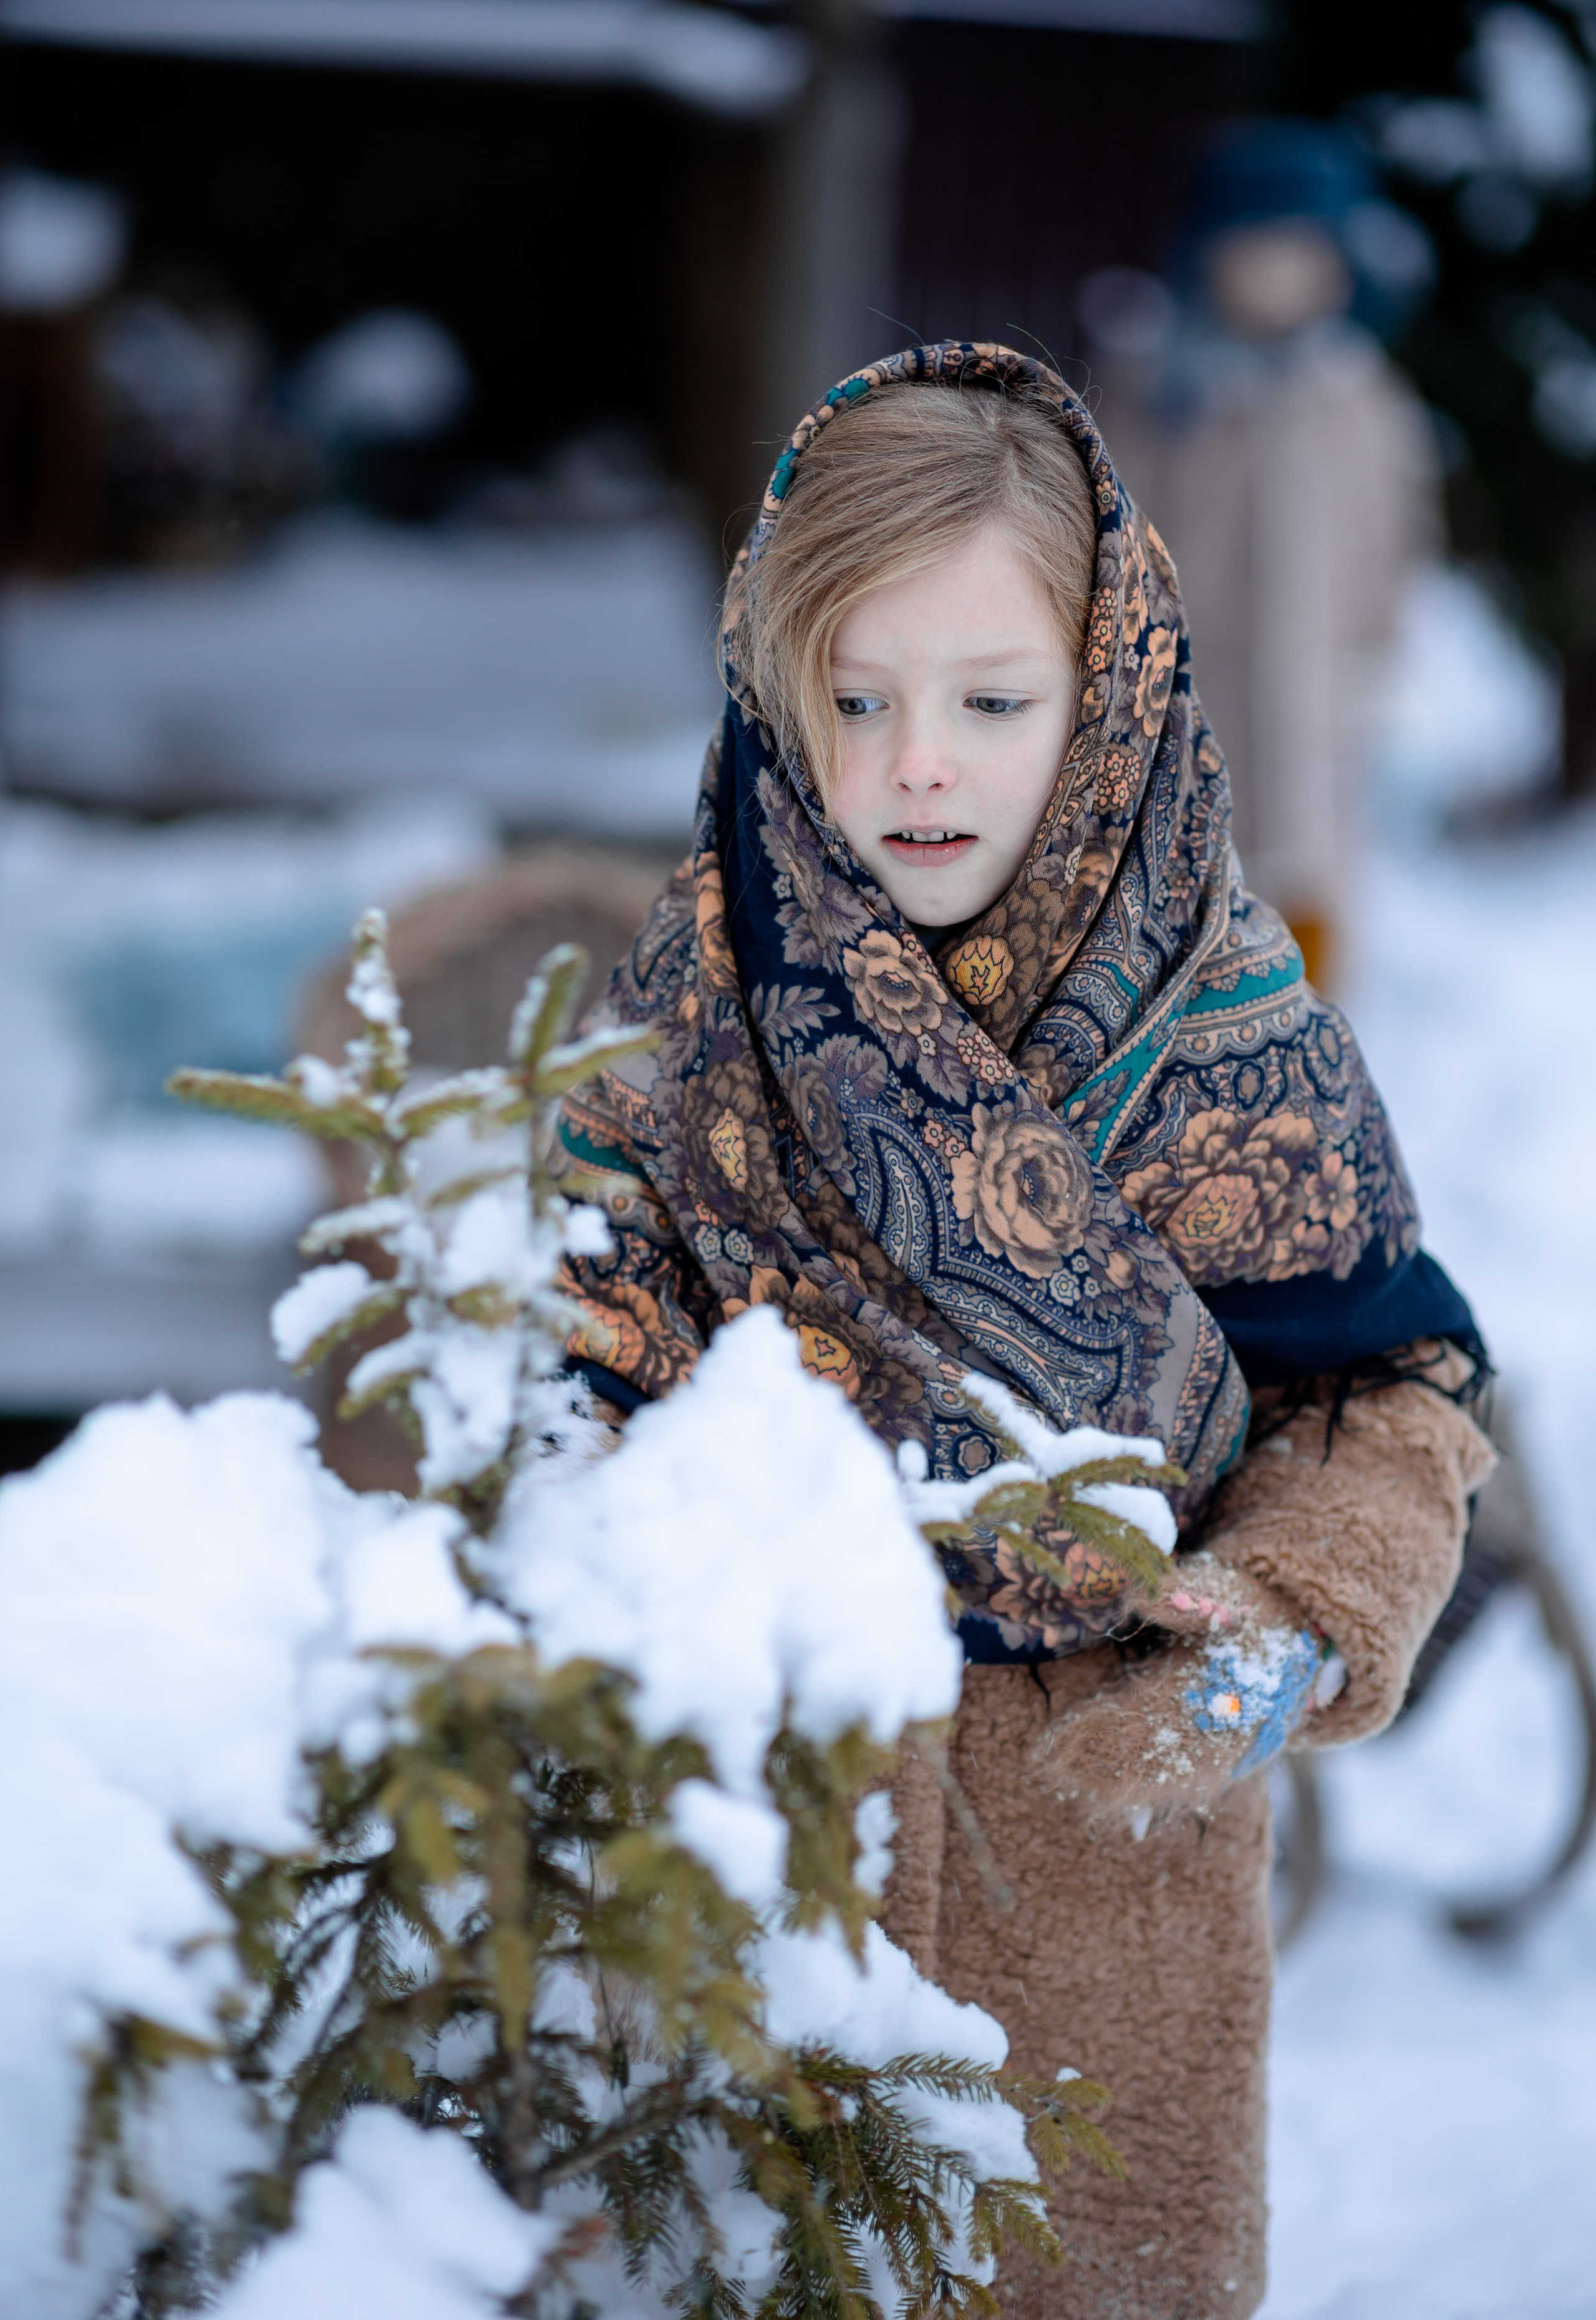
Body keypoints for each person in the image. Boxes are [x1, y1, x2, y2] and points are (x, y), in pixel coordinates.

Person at [554, 342, 1494, 2318]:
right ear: (770, 686)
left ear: (1114, 692)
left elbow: (1388, 1393)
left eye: (993, 702)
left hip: (1104, 1913)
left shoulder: (1236, 1046)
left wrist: (1286, 1626)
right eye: (859, 699)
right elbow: (559, 1382)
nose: (920, 764)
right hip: (743, 1872)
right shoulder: (688, 1018)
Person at [1085, 122, 1442, 991]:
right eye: (1259, 250)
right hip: (1188, 687)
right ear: (1208, 256)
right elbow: (1108, 524)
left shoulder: (1359, 392)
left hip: (1317, 690)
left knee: (1308, 873)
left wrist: (1378, 638)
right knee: (1181, 873)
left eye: (1305, 252)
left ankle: (1303, 1037)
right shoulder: (1163, 387)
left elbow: (1397, 524)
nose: (1282, 275)